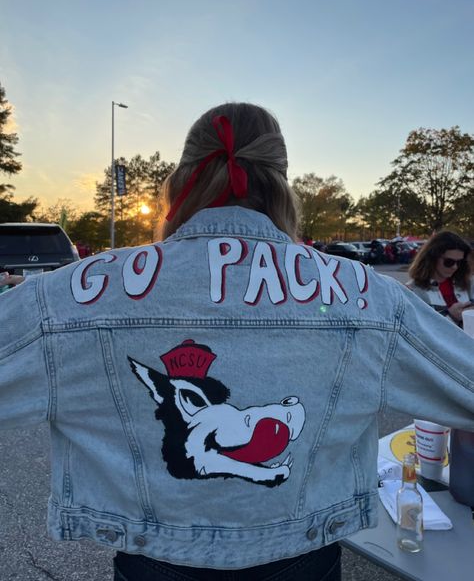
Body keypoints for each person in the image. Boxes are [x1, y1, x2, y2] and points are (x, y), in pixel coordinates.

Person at [0, 103, 473, 581]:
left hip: (153, 564)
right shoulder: (368, 295)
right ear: (282, 186)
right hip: (304, 561)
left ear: (182, 179)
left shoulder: (62, 296)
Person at [407, 230, 474, 327]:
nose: (455, 267)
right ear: (432, 258)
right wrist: (449, 315)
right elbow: (416, 329)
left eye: (459, 262)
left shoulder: (468, 283)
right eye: (449, 262)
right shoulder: (413, 290)